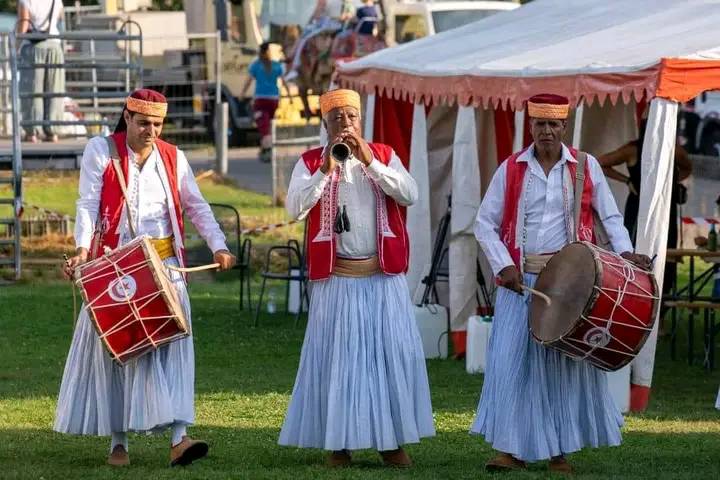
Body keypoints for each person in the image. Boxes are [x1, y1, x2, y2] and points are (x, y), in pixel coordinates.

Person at [56, 89, 236, 467]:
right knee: (119, 351)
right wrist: (82, 251)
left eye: (157, 124)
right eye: (143, 123)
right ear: (127, 117)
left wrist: (218, 245)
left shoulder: (173, 157)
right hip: (118, 267)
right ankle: (118, 444)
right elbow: (87, 204)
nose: (150, 131)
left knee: (173, 349)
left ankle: (179, 439)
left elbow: (196, 206)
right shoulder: (101, 150)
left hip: (165, 265)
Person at [472, 94, 651, 474]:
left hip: (571, 285)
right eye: (540, 124)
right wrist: (505, 266)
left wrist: (626, 255)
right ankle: (510, 450)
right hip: (520, 283)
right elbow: (484, 223)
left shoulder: (585, 166)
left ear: (565, 127)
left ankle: (559, 452)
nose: (547, 131)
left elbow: (611, 218)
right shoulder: (511, 168)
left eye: (554, 124)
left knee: (563, 366)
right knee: (513, 364)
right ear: (530, 126)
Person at [278, 89, 435, 468]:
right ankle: (339, 445)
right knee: (338, 361)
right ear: (325, 124)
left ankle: (391, 443)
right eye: (337, 118)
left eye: (351, 117)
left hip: (382, 278)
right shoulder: (310, 162)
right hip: (336, 281)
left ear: (360, 119)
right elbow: (295, 209)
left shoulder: (383, 154)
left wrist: (371, 162)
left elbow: (410, 194)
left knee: (390, 357)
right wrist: (324, 170)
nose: (345, 124)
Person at [598, 120, 691, 315]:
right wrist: (627, 180)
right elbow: (601, 163)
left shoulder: (673, 150)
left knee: (667, 256)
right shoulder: (633, 150)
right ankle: (632, 306)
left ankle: (660, 313)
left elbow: (687, 167)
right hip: (638, 209)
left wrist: (670, 184)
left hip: (665, 210)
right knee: (634, 251)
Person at [16, 0, 65, 143]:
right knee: (54, 90)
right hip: (54, 45)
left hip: (33, 48)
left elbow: (24, 23)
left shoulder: (26, 1)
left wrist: (16, 46)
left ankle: (32, 132)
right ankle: (52, 132)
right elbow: (60, 17)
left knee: (32, 91)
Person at [241, 42, 290, 162]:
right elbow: (284, 81)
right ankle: (265, 147)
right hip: (274, 99)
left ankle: (267, 149)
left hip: (261, 99)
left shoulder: (256, 65)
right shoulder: (276, 65)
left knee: (263, 126)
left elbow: (248, 81)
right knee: (269, 124)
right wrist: (289, 95)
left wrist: (242, 93)